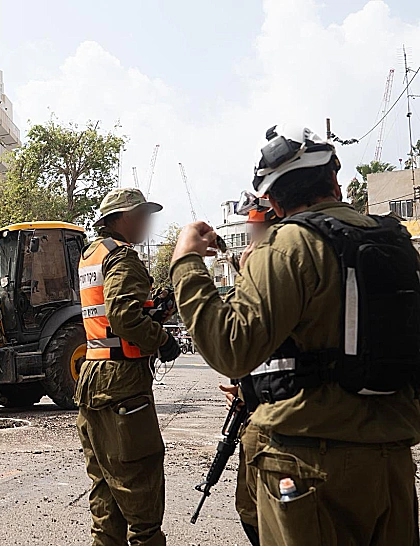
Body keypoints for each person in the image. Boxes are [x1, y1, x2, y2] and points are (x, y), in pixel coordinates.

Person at [171, 124, 420, 545]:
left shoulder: (289, 245)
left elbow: (231, 349)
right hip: (392, 462)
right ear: (335, 177)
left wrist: (186, 263)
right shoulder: (396, 243)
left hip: (310, 467)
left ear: (272, 198)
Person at [75, 187, 181, 546]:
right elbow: (124, 317)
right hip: (121, 382)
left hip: (94, 376)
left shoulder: (92, 256)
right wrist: (163, 341)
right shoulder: (122, 258)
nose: (147, 223)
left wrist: (151, 313)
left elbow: (108, 316)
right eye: (142, 215)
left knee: (107, 487)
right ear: (124, 218)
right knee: (141, 484)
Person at [218, 191, 280, 546]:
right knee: (250, 508)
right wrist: (245, 388)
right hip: (259, 406)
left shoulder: (284, 270)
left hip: (284, 426)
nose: (251, 244)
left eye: (258, 231)